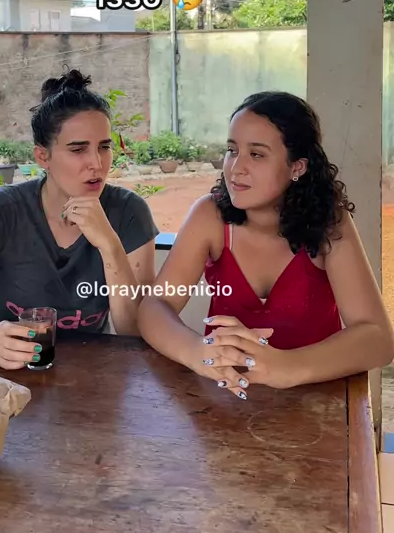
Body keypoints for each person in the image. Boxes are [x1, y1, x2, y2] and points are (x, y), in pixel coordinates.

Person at [137, 91, 394, 400]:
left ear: (297, 167)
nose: (236, 168)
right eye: (232, 150)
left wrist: (286, 366)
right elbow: (156, 305)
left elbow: (377, 338)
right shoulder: (210, 215)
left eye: (256, 154)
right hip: (223, 400)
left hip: (316, 405)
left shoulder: (329, 224)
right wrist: (195, 351)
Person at [0, 69, 158, 369]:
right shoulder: (3, 211)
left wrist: (110, 245)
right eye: (78, 149)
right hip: (9, 376)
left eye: (104, 147)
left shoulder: (128, 211)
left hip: (94, 379)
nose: (96, 163)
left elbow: (135, 333)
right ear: (43, 157)